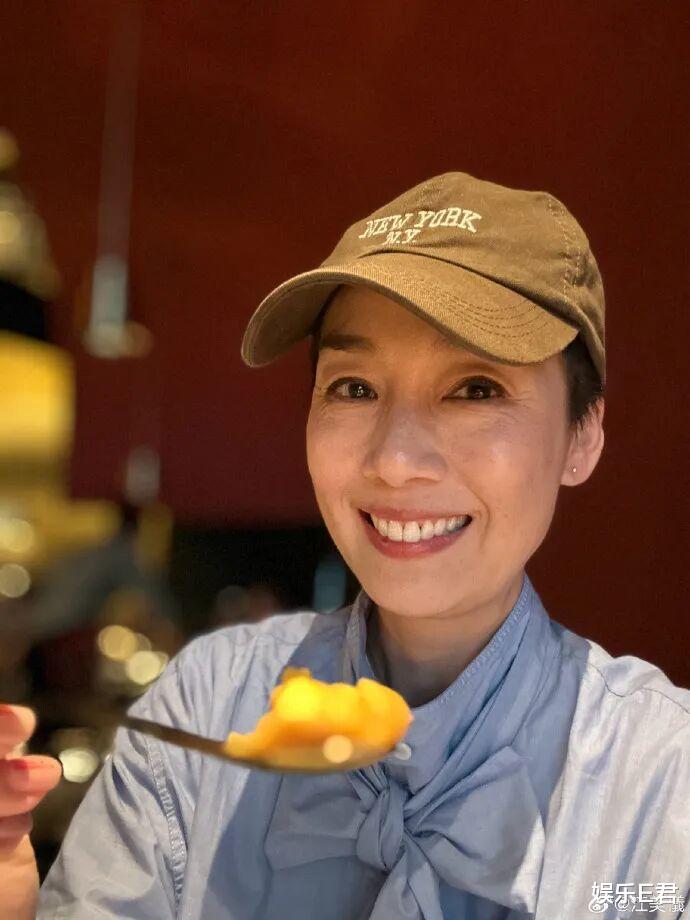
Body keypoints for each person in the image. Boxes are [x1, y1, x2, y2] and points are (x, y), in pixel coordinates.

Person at [2, 171, 689, 919]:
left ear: (582, 435)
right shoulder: (210, 703)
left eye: (476, 389)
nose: (394, 460)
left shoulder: (660, 778)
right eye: (354, 388)